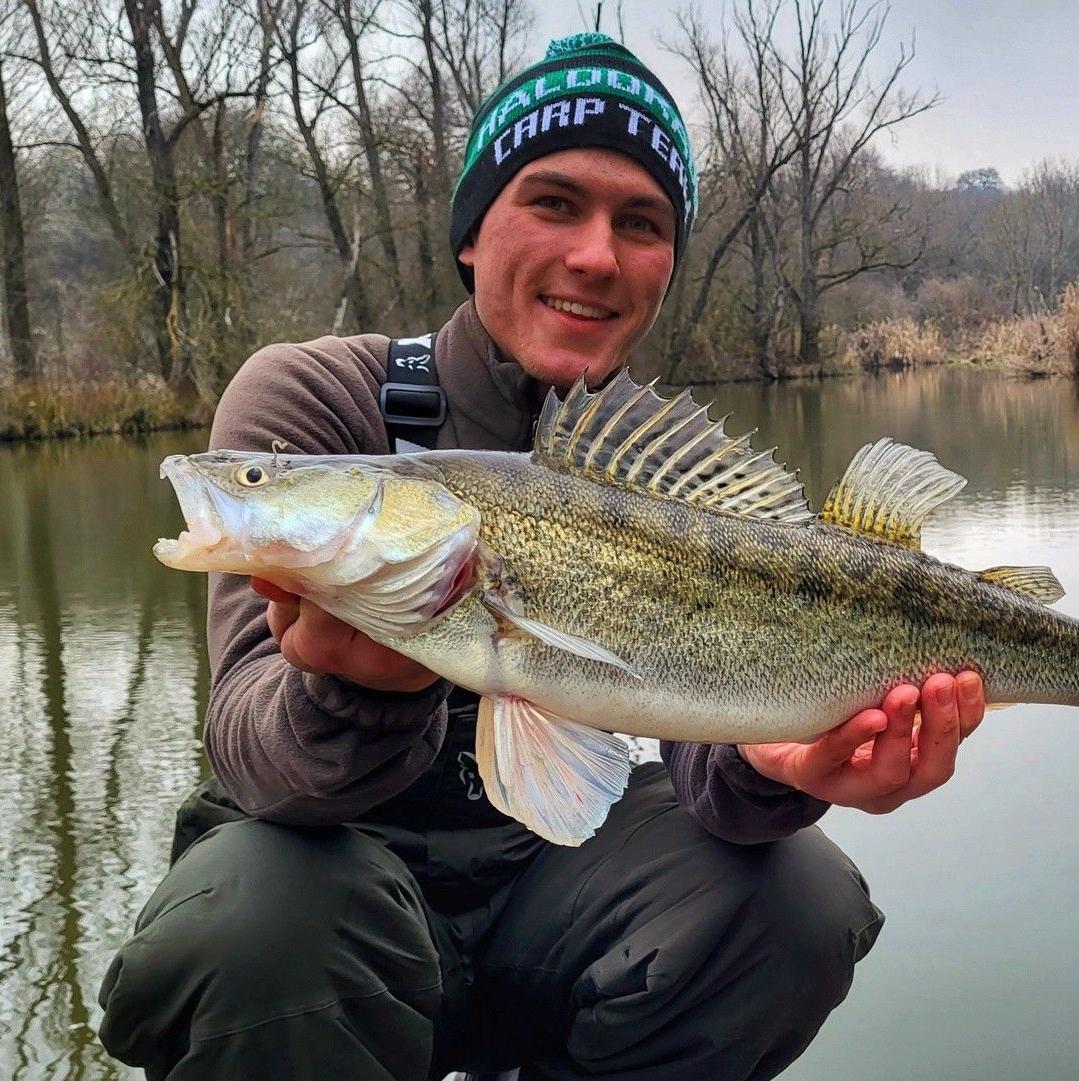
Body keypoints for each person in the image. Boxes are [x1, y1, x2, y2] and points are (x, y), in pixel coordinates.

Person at [98, 33, 987, 1081]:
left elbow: (707, 771)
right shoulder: (314, 406)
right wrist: (364, 685)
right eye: (554, 202)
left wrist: (781, 764)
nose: (597, 255)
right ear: (473, 234)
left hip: (555, 900)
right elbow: (258, 757)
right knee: (255, 913)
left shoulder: (662, 473)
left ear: (664, 267)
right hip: (336, 926)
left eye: (641, 223)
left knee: (797, 893)